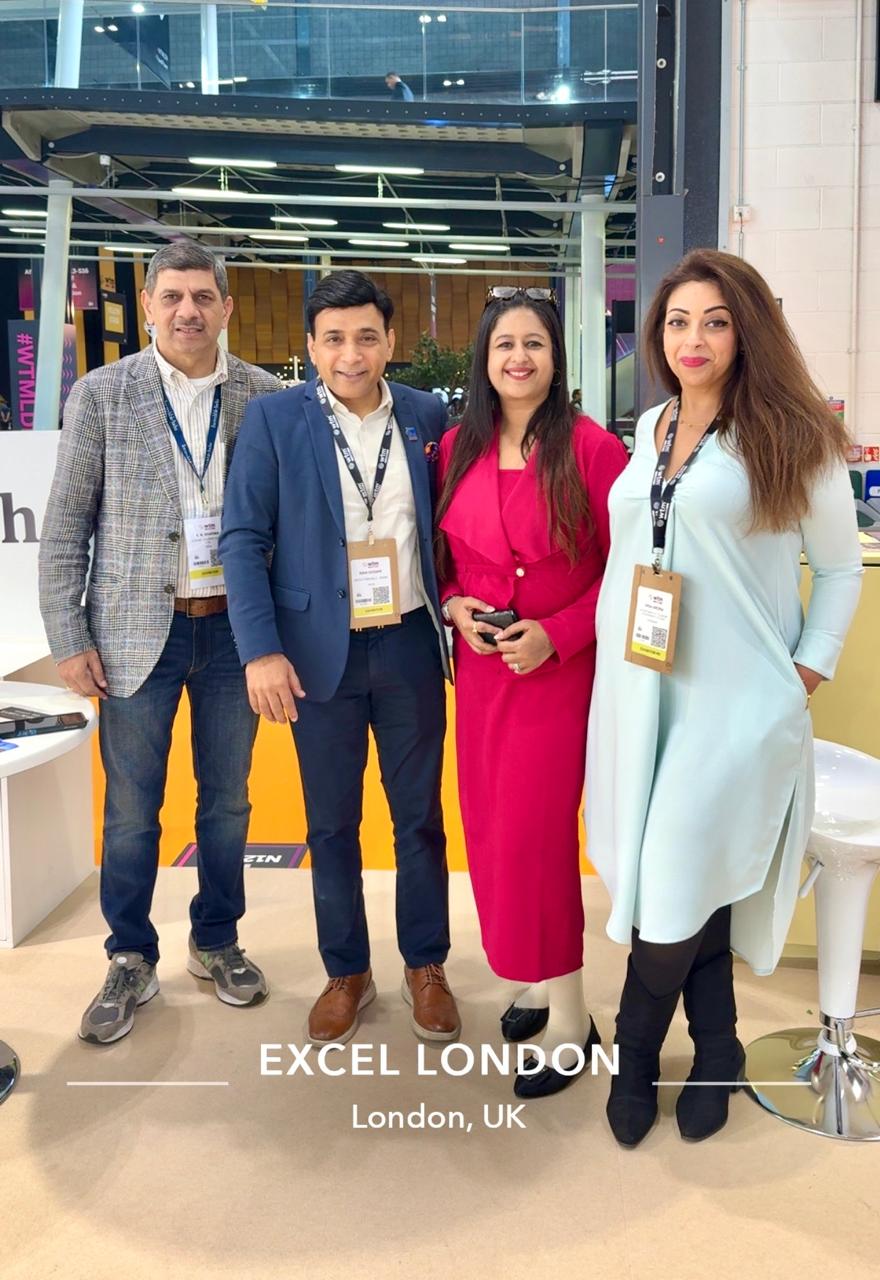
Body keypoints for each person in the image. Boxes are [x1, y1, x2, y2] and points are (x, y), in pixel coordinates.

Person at [585, 249, 863, 1146]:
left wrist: (804, 673)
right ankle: (716, 1047)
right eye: (677, 321)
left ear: (748, 332)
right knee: (687, 878)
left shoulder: (792, 433)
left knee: (673, 877)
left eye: (715, 321)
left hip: (734, 707)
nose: (693, 338)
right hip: (643, 694)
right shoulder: (653, 425)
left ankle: (634, 1054)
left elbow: (841, 568)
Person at [38, 240, 281, 1045]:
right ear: (146, 306)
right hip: (135, 634)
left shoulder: (264, 396)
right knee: (133, 810)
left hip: (234, 634)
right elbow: (65, 527)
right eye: (172, 296)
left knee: (229, 800)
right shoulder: (103, 395)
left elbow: (283, 525)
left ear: (227, 307)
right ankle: (130, 955)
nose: (188, 311)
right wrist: (68, 636)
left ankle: (217, 939)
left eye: (203, 296)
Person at [220, 270, 458, 1046]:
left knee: (419, 818)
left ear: (390, 342)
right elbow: (242, 541)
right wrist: (260, 650)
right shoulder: (274, 419)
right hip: (316, 652)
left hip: (409, 643)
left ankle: (425, 963)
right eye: (334, 339)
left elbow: (450, 526)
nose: (350, 354)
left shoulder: (426, 415)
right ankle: (346, 970)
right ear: (311, 346)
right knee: (330, 824)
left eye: (365, 337)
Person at [436, 285, 628, 1098]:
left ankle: (573, 1016)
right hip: (484, 675)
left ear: (558, 357)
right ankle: (537, 980)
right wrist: (455, 606)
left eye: (535, 344)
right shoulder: (457, 446)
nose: (519, 358)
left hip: (558, 675)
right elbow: (445, 564)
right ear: (484, 359)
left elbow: (630, 573)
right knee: (489, 832)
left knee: (538, 839)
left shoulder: (593, 451)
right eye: (504, 345)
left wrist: (562, 631)